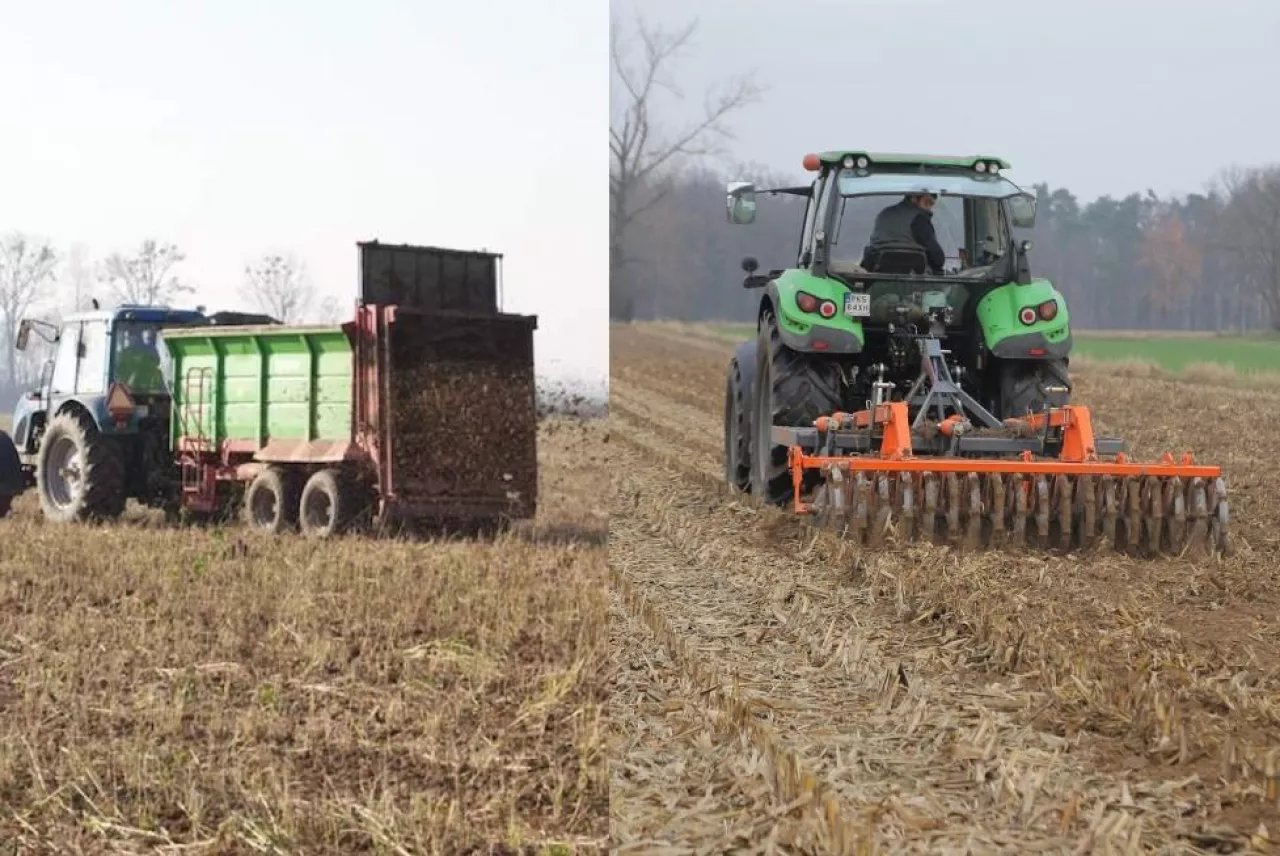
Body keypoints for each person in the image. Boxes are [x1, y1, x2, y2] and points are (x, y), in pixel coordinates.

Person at [861, 192, 946, 274]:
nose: (929, 208)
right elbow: (938, 259)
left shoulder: (884, 214)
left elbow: (872, 247)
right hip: (916, 282)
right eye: (927, 203)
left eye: (931, 205)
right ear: (914, 198)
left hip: (877, 280)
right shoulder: (920, 220)